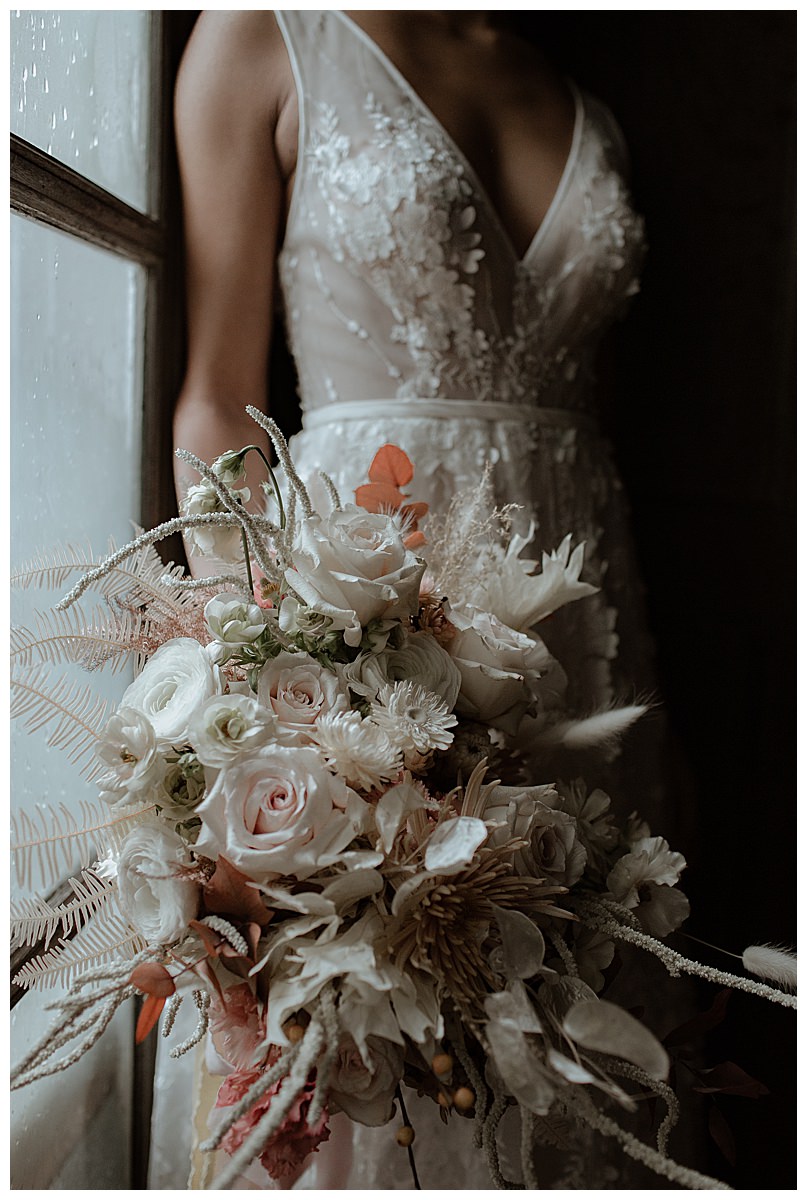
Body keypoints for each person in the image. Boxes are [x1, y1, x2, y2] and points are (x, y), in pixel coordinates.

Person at [163, 10, 671, 1190]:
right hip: (379, 653)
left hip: (592, 648)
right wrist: (267, 685)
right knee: (381, 1055)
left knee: (592, 1056)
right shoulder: (262, 34)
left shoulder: (566, 80)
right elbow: (215, 405)